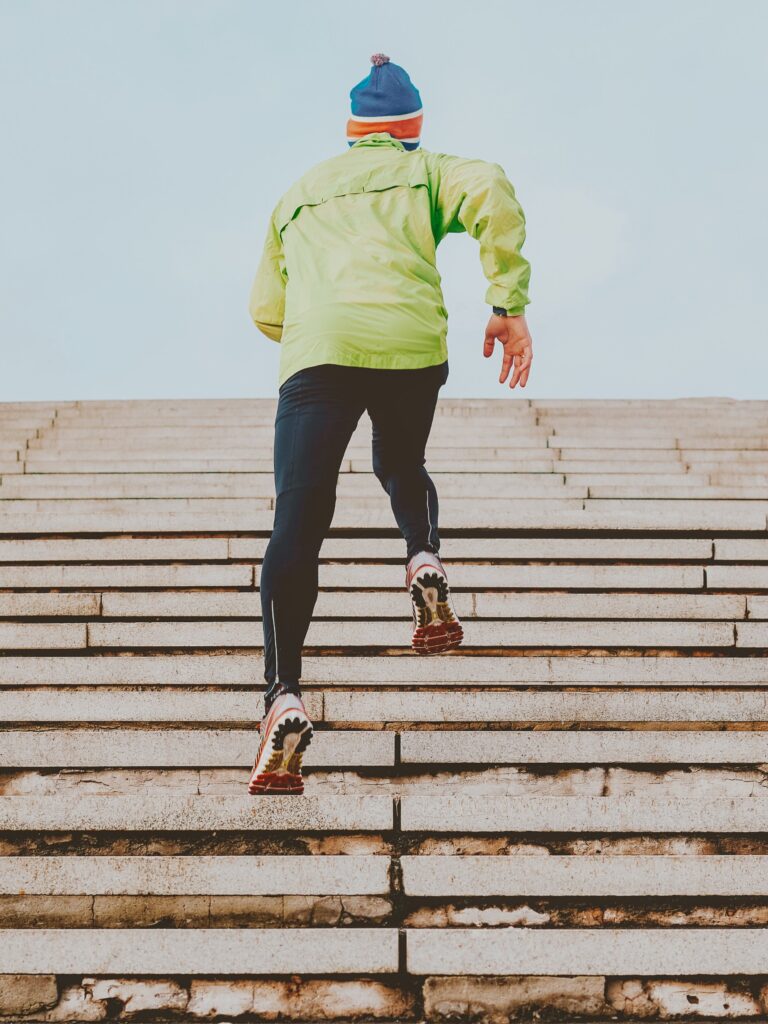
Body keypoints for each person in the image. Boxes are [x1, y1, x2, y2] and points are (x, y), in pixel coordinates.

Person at [247, 54, 532, 795]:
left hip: (320, 354)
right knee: (400, 463)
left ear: (351, 129)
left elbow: (265, 309)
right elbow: (492, 189)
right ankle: (423, 558)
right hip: (410, 345)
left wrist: (321, 324)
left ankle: (283, 694)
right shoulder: (428, 169)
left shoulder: (299, 192)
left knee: (299, 519)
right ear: (412, 127)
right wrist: (507, 302)